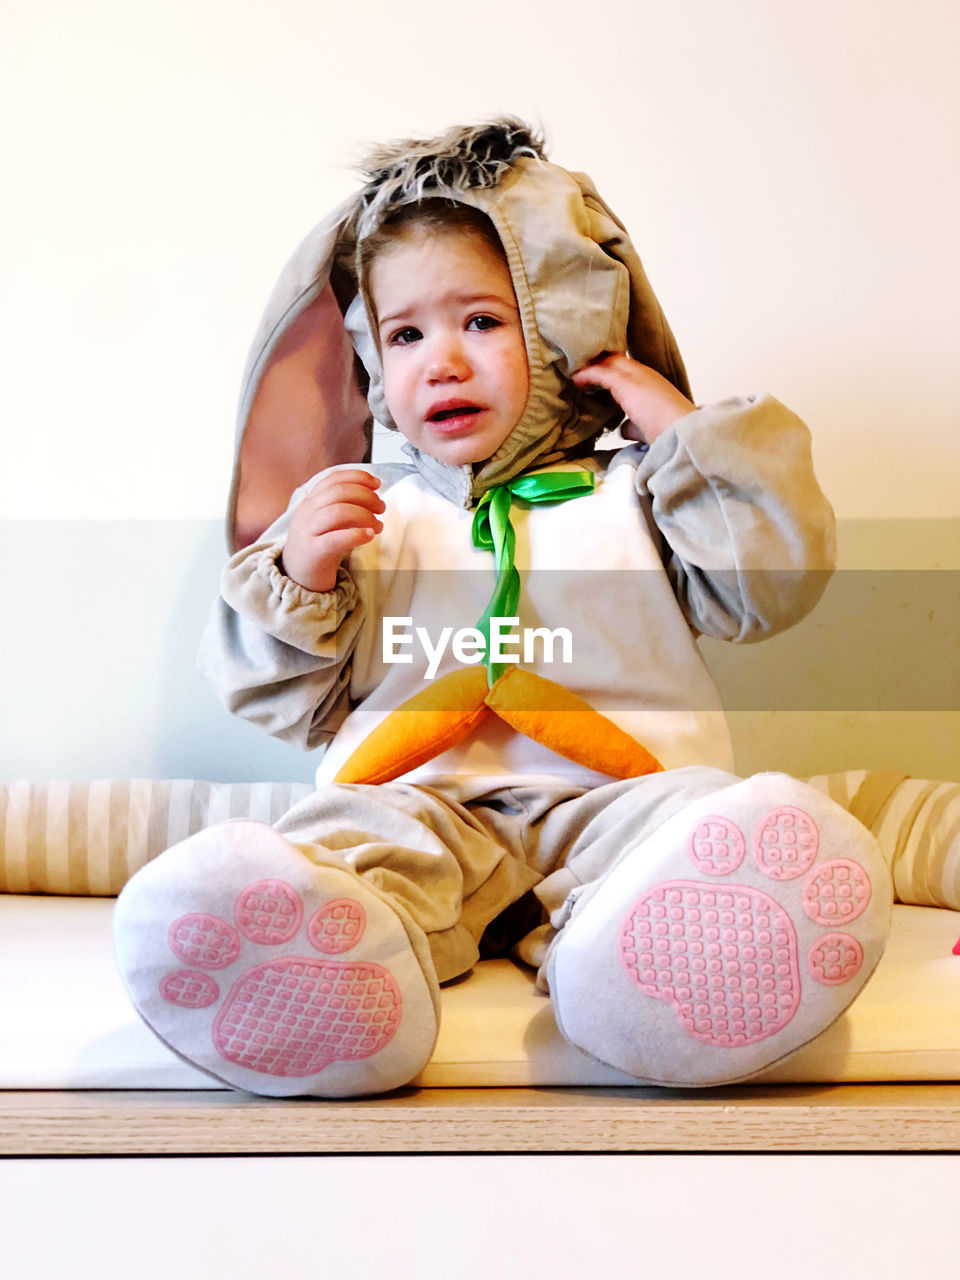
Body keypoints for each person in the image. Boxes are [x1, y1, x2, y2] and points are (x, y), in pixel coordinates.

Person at [113, 120, 892, 1097]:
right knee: (346, 847)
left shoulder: (644, 494)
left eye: (481, 321)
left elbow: (766, 583)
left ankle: (647, 977)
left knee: (695, 822)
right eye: (405, 334)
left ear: (564, 321)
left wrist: (690, 441)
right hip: (421, 798)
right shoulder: (370, 517)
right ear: (369, 356)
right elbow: (280, 698)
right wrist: (304, 576)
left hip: (620, 796)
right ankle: (332, 981)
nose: (440, 360)